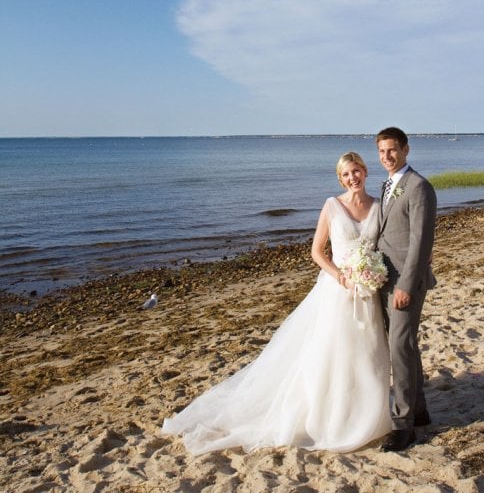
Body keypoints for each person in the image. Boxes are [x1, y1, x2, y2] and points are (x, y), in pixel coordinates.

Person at [162, 152, 392, 454]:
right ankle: (330, 416)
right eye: (347, 174)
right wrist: (341, 277)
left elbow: (385, 246)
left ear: (365, 171)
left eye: (357, 171)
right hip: (337, 292)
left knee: (367, 352)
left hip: (367, 291)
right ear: (341, 178)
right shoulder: (332, 207)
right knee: (333, 352)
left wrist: (372, 272)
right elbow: (317, 252)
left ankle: (366, 414)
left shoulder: (378, 206)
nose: (353, 178)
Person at [375, 127, 437, 452]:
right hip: (384, 279)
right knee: (406, 345)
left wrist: (406, 285)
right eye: (382, 151)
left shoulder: (419, 187)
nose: (387, 157)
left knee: (399, 347)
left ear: (406, 149)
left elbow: (420, 242)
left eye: (392, 150)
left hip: (405, 283)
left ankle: (403, 425)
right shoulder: (387, 185)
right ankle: (421, 410)